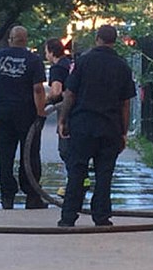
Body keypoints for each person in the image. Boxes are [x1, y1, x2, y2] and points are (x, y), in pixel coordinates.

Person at [56, 25, 137, 227]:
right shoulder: (122, 66)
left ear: (97, 39)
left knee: (77, 171)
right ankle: (101, 216)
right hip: (110, 127)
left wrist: (63, 120)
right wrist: (123, 131)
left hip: (83, 125)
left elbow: (70, 94)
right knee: (104, 174)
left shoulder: (83, 62)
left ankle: (68, 217)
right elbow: (125, 103)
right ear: (114, 41)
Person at [0, 25, 48, 210]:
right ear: (25, 40)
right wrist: (41, 114)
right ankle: (32, 196)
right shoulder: (34, 60)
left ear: (10, 39)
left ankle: (7, 196)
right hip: (28, 115)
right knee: (31, 155)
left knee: (5, 156)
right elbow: (38, 89)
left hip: (3, 114)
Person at [44, 38, 72, 162]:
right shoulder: (69, 63)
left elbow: (56, 92)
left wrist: (43, 101)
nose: (46, 55)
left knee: (65, 150)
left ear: (52, 52)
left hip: (65, 110)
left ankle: (73, 179)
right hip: (78, 110)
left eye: (46, 52)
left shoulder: (57, 68)